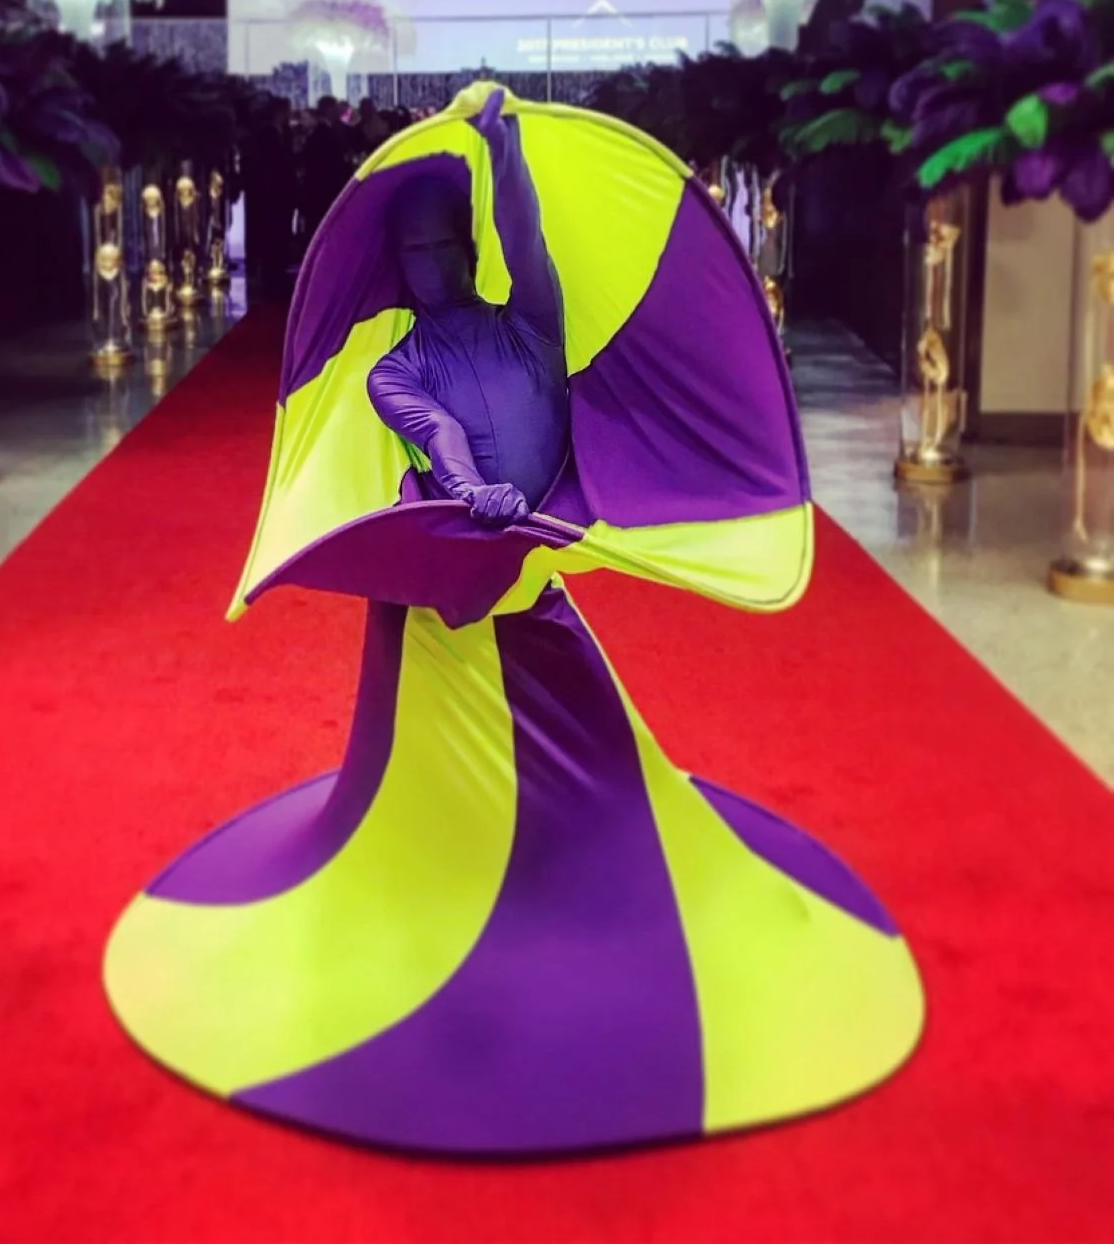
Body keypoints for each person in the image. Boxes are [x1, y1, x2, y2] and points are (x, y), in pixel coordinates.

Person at [104, 84, 923, 1157]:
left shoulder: (529, 324)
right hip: (446, 582)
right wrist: (465, 489)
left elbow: (530, 247)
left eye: (447, 241)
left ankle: (585, 899)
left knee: (588, 763)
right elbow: (429, 428)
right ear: (397, 264)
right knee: (431, 789)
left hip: (523, 573)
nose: (431, 263)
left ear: (469, 242)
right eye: (414, 250)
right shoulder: (401, 362)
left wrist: (501, 151)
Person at [240, 96, 295, 301]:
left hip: (284, 195)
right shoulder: (265, 135)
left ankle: (279, 275)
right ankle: (271, 278)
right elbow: (266, 166)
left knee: (282, 236)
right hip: (272, 195)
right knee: (272, 237)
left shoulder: (285, 133)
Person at [297, 94, 354, 245]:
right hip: (326, 191)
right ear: (328, 109)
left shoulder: (318, 134)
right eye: (335, 108)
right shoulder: (325, 135)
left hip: (318, 191)